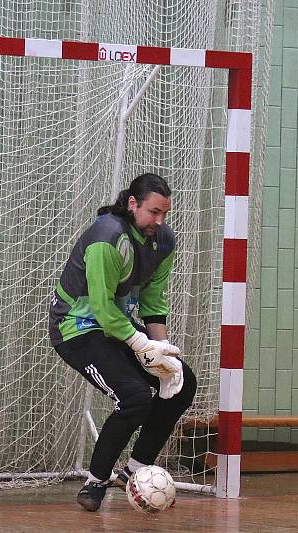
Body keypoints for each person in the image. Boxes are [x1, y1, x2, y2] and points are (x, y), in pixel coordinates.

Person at [48, 172, 196, 512]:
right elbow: (101, 308)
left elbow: (153, 302)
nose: (159, 221)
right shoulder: (107, 238)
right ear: (132, 204)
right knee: (135, 398)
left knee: (181, 383)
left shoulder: (163, 241)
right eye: (153, 212)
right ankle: (96, 482)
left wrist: (163, 355)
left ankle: (133, 471)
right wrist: (141, 345)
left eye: (164, 214)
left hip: (119, 327)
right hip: (78, 328)